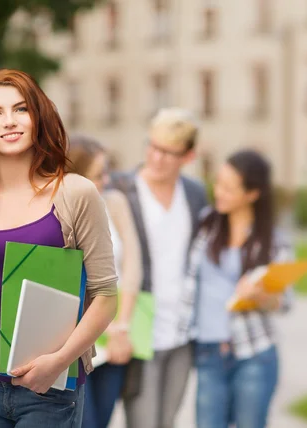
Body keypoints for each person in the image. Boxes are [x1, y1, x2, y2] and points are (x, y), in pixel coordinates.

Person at [0, 69, 118, 428]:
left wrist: (60, 360)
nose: (9, 122)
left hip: (50, 387)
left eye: (20, 109)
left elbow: (106, 295)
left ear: (38, 117)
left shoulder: (75, 194)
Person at [174, 150, 293, 428]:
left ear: (252, 194)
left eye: (229, 188)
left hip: (255, 353)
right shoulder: (206, 225)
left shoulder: (273, 241)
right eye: (218, 183)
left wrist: (258, 295)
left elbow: (285, 302)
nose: (219, 192)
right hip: (209, 352)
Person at [112, 107, 208, 428]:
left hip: (182, 331)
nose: (157, 158)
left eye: (169, 153)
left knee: (167, 420)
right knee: (142, 420)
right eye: (153, 147)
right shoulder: (120, 189)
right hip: (140, 326)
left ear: (188, 156)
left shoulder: (195, 195)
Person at [67, 134, 142, 428]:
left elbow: (133, 265)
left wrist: (122, 327)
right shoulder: (60, 212)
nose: (106, 181)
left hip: (114, 338)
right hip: (75, 342)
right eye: (98, 175)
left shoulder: (115, 202)